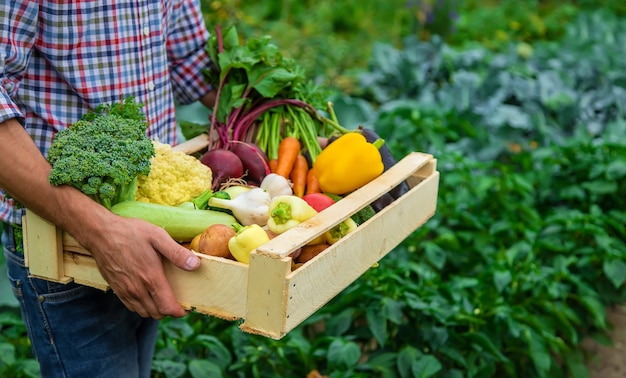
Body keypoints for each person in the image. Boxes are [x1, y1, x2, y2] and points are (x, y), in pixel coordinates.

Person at [0, 2, 217, 376]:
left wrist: (275, 106)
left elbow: (189, 59)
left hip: (154, 228)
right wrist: (101, 232)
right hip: (67, 244)